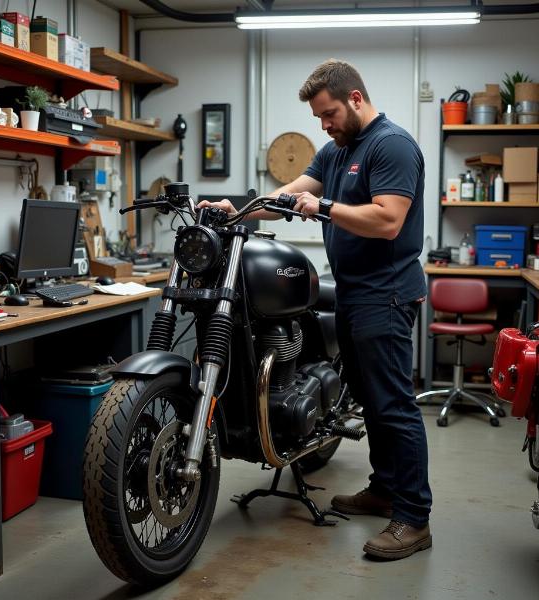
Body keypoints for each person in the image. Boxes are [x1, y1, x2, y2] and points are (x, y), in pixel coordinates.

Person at [199, 59, 432, 560]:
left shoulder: (391, 145)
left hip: (386, 292)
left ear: (354, 99)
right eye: (318, 117)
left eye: (327, 114)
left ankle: (413, 517)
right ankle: (385, 488)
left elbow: (388, 219)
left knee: (393, 406)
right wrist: (235, 209)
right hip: (351, 289)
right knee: (370, 401)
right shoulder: (334, 152)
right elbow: (287, 196)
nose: (322, 125)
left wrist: (324, 209)